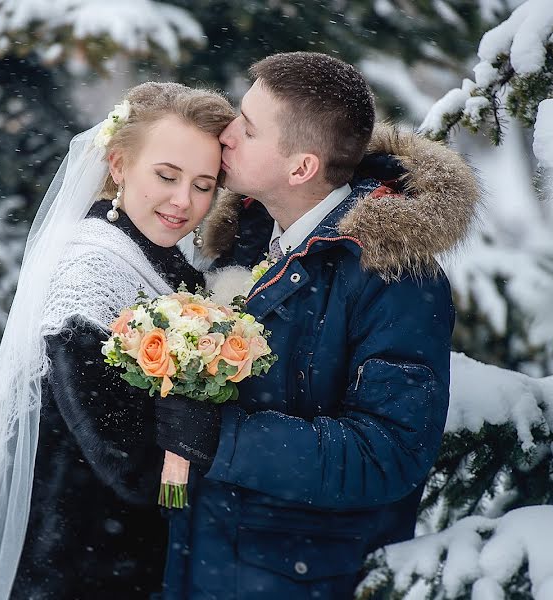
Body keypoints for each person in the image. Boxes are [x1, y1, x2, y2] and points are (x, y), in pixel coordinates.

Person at [153, 52, 479, 598]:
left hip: (295, 577)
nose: (226, 134)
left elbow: (389, 453)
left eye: (249, 129)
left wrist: (221, 437)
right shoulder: (245, 235)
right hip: (202, 556)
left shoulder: (392, 273)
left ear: (301, 167)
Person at [0, 82, 235, 600]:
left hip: (125, 555)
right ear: (118, 166)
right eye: (166, 176)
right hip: (82, 559)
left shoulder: (161, 252)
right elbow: (127, 460)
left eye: (204, 184)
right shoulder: (92, 271)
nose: (183, 201)